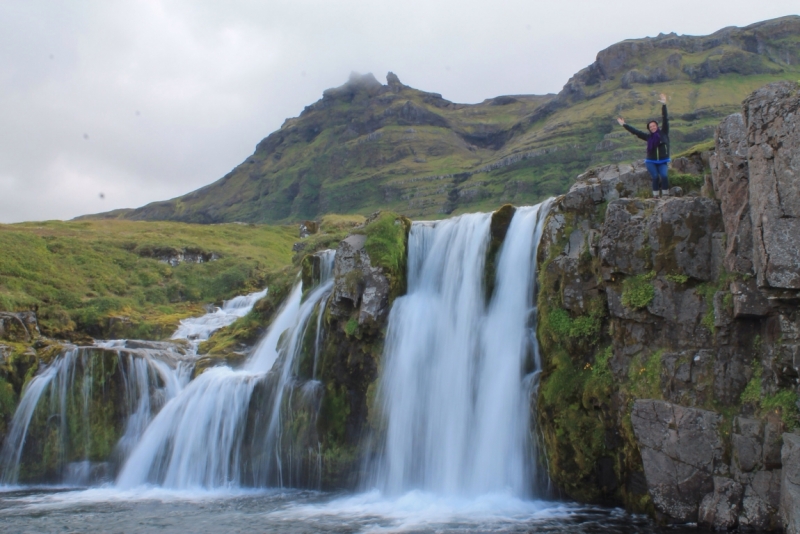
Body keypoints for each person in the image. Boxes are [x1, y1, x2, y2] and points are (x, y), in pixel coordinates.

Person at [617, 93, 671, 197]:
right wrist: (624, 125)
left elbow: (666, 119)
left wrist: (664, 105)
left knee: (664, 176)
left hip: (663, 161)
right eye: (650, 127)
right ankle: (655, 196)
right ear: (649, 129)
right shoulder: (648, 137)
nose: (652, 127)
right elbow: (636, 132)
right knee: (655, 176)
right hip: (651, 161)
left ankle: (665, 195)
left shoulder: (664, 133)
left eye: (654, 126)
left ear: (657, 126)